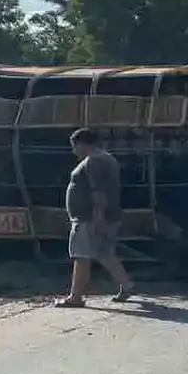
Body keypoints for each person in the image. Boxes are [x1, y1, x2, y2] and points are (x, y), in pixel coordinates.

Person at [54, 128, 133, 308]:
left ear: (82, 144)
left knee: (81, 256)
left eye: (74, 147)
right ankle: (127, 285)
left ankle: (76, 297)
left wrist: (98, 218)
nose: (74, 151)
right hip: (102, 215)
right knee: (104, 253)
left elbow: (99, 193)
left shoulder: (94, 161)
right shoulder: (107, 158)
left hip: (89, 218)